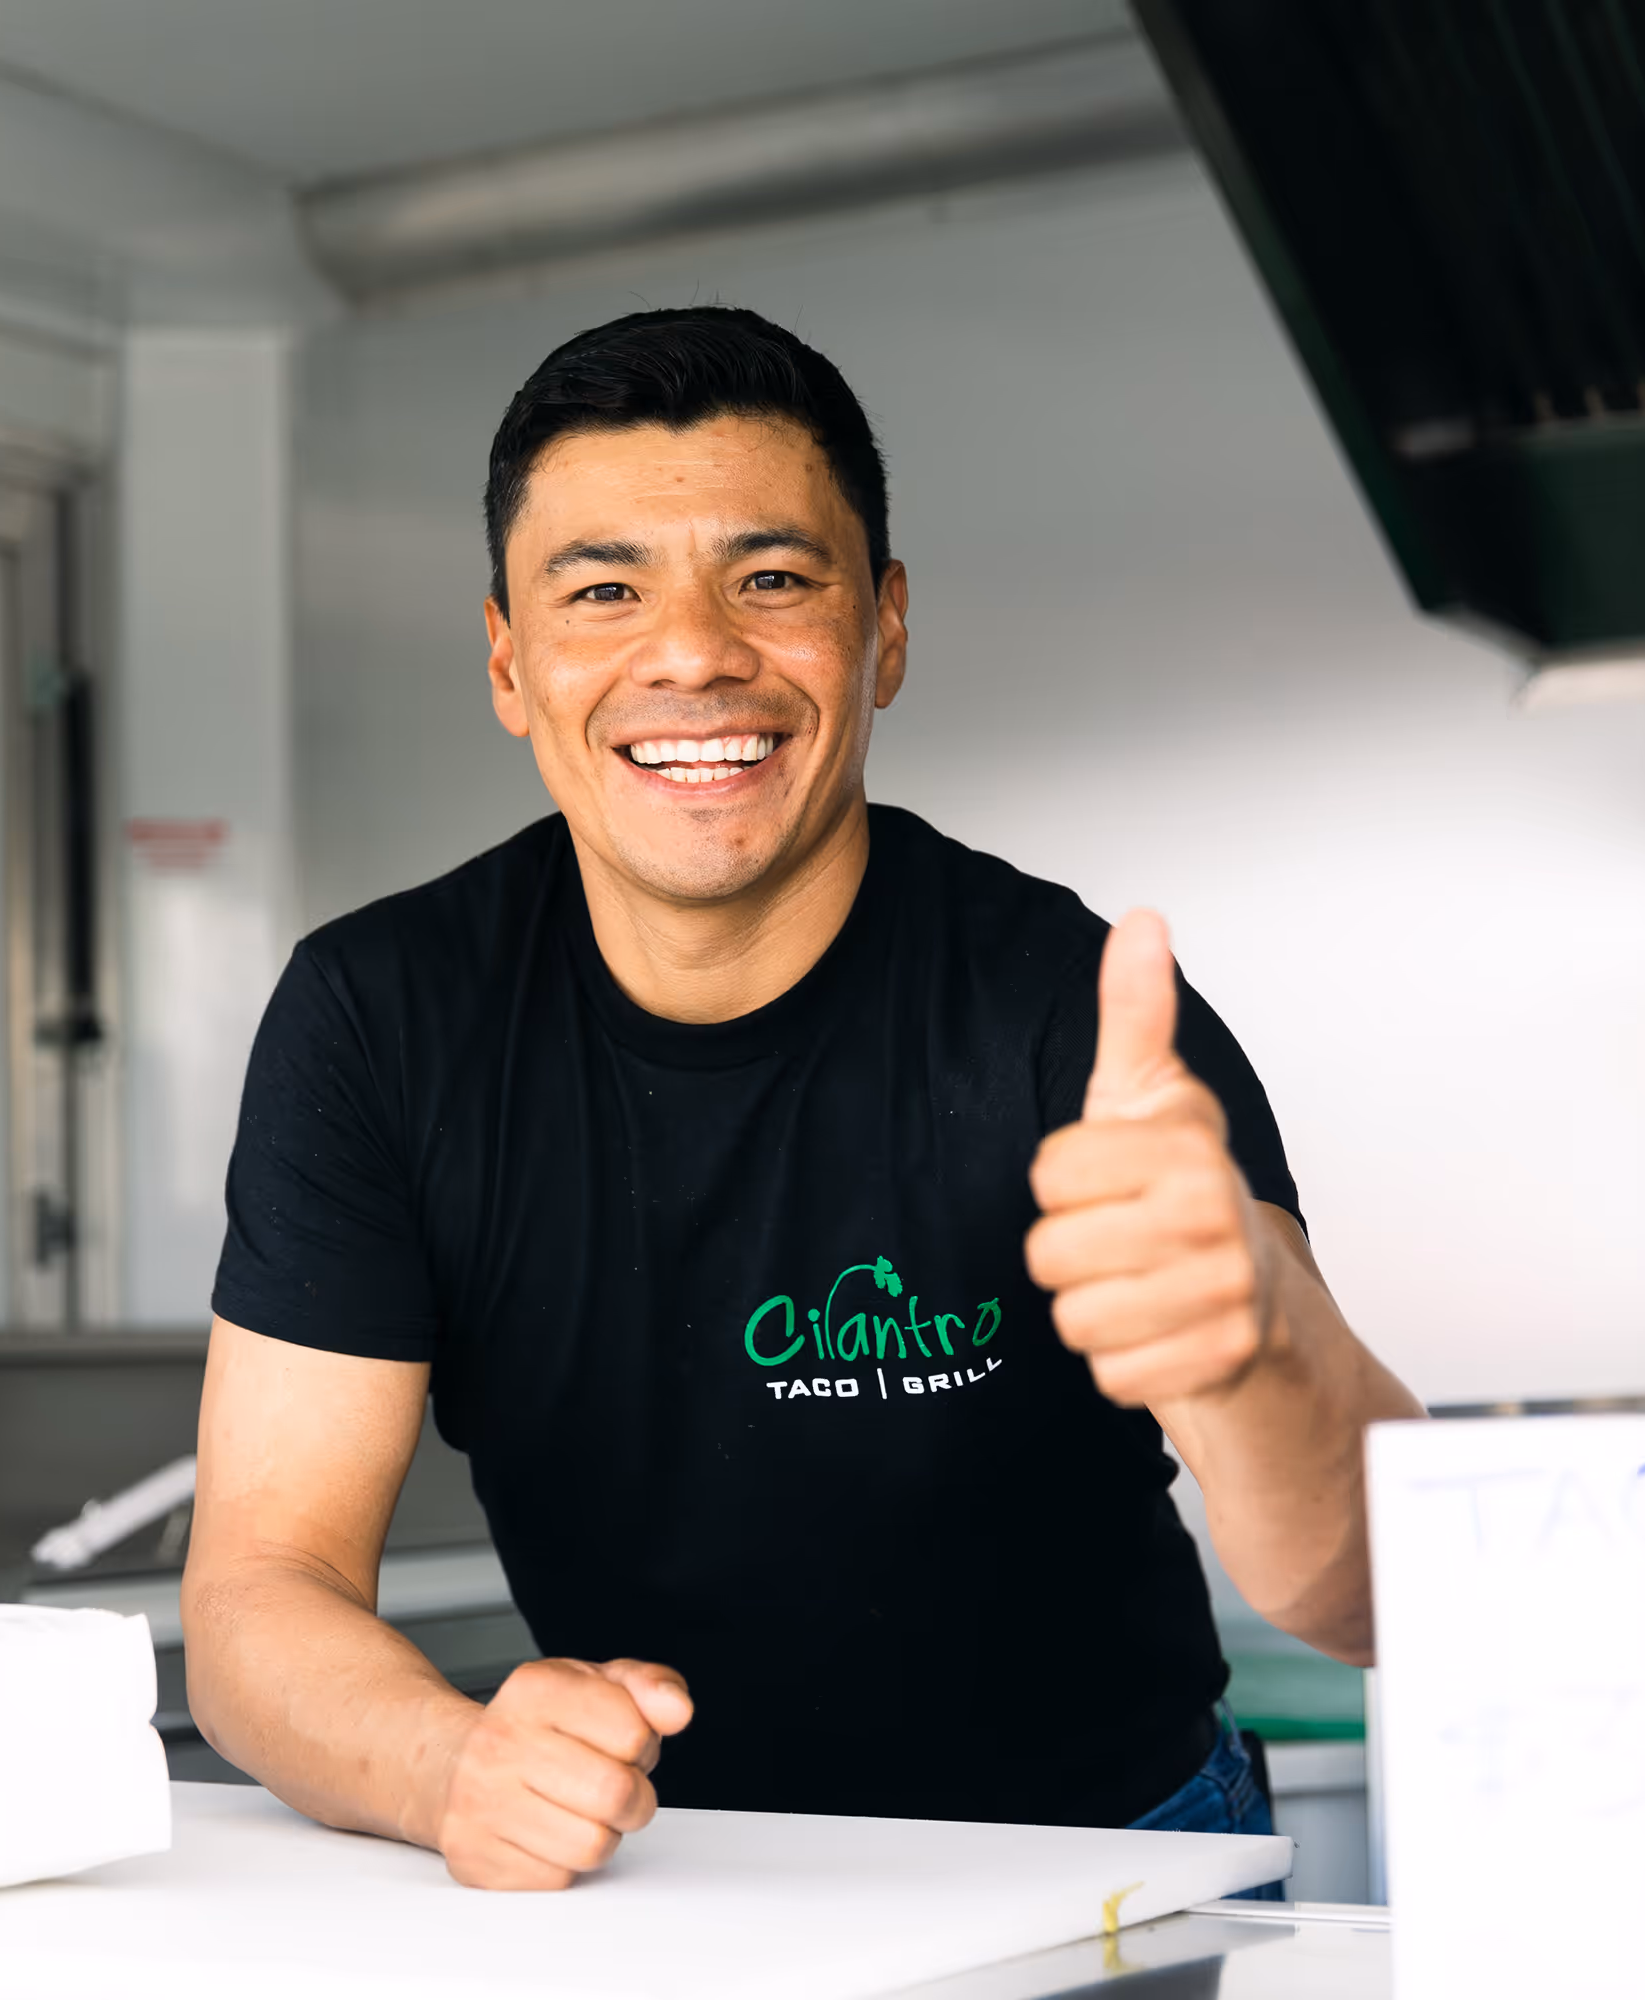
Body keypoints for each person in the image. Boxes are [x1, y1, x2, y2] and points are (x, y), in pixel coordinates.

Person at [183, 306, 1422, 1892]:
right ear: (508, 657)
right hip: (674, 1891)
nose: (692, 652)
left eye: (772, 580)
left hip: (1102, 1874)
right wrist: (450, 1764)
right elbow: (259, 1589)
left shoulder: (1070, 1014)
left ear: (885, 630)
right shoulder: (380, 1019)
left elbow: (1378, 1599)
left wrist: (1258, 1342)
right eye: (604, 589)